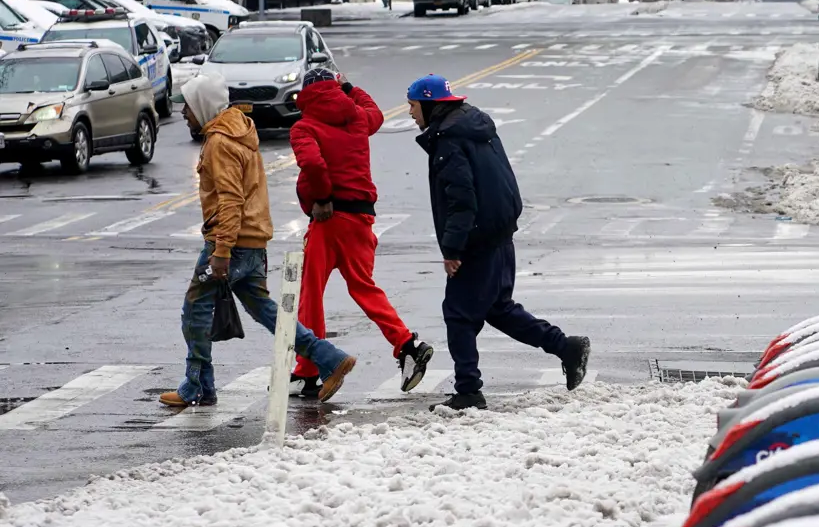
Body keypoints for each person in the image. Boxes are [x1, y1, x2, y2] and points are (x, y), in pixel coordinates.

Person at [161, 80, 357, 407]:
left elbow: (230, 200)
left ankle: (197, 385)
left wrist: (221, 252)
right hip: (252, 239)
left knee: (194, 309)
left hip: (230, 242)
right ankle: (329, 357)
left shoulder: (219, 142)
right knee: (266, 311)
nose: (183, 113)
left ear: (204, 106)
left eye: (188, 106)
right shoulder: (242, 131)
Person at [408, 74, 590, 411]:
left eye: (413, 105)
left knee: (459, 314)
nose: (409, 112)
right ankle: (567, 347)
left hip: (477, 240)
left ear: (430, 104)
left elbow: (461, 199)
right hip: (498, 234)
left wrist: (453, 249)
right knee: (498, 308)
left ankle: (468, 392)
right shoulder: (473, 127)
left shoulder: (449, 139)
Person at [288, 67, 433, 401]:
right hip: (361, 218)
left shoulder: (304, 126)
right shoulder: (356, 118)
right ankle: (407, 344)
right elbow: (375, 113)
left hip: (328, 220)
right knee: (363, 287)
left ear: (305, 95)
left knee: (311, 294)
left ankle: (308, 370)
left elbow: (312, 163)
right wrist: (350, 87)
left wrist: (322, 198)